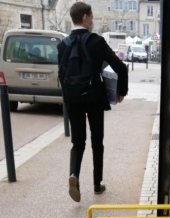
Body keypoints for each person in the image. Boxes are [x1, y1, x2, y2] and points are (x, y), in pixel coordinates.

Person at [57, 2, 128, 202]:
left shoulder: (63, 45)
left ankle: (74, 175)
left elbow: (62, 75)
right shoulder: (95, 41)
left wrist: (68, 96)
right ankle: (97, 184)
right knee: (97, 141)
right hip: (94, 98)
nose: (93, 19)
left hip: (73, 99)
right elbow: (120, 67)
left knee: (77, 142)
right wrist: (121, 91)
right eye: (92, 16)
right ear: (86, 18)